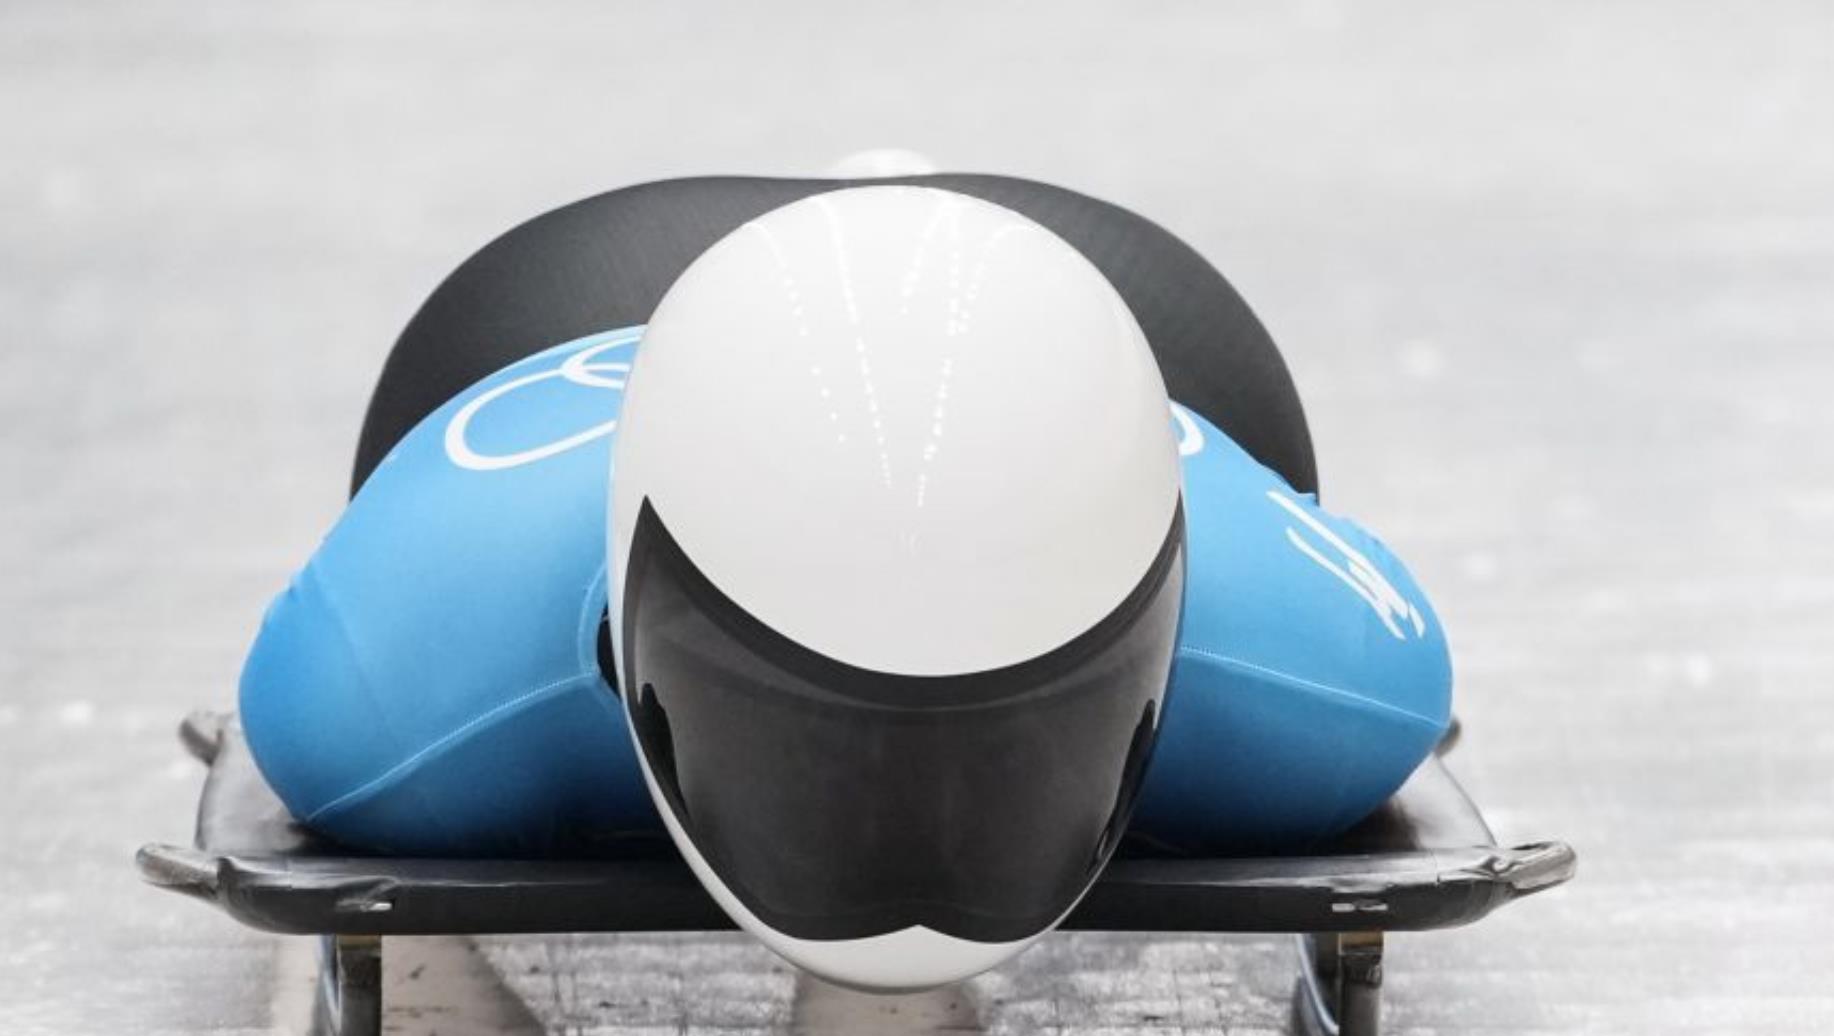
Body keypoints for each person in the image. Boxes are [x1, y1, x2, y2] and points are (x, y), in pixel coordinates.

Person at [239, 174, 1450, 990]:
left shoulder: (368, 718)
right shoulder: (1343, 703)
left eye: (1008, 734)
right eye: (802, 724)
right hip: (546, 323)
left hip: (1098, 361)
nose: (916, 868)